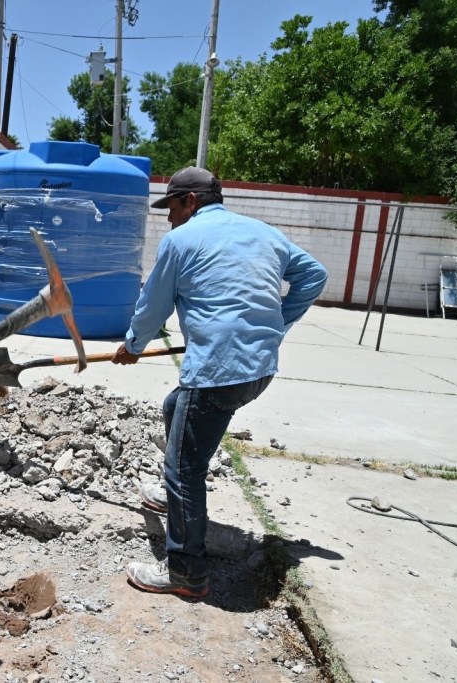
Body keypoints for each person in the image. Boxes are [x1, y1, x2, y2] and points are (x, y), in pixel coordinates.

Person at [112, 167, 327, 599]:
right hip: (259, 369)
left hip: (216, 372)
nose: (169, 218)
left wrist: (133, 345)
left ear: (190, 200)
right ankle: (169, 497)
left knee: (184, 469)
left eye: (171, 206)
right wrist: (274, 324)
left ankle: (185, 573)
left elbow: (154, 306)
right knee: (176, 407)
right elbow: (314, 275)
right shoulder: (265, 233)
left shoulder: (180, 241)